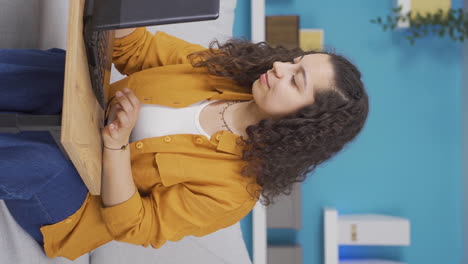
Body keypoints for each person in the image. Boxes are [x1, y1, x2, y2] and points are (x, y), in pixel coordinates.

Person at [0, 27, 368, 260]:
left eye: (296, 80)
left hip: (79, 202)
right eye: (295, 62)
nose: (280, 68)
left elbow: (136, 225)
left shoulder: (233, 193)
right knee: (58, 73)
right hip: (83, 117)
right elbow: (139, 50)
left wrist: (116, 147)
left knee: (43, 164)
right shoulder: (228, 69)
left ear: (304, 125)